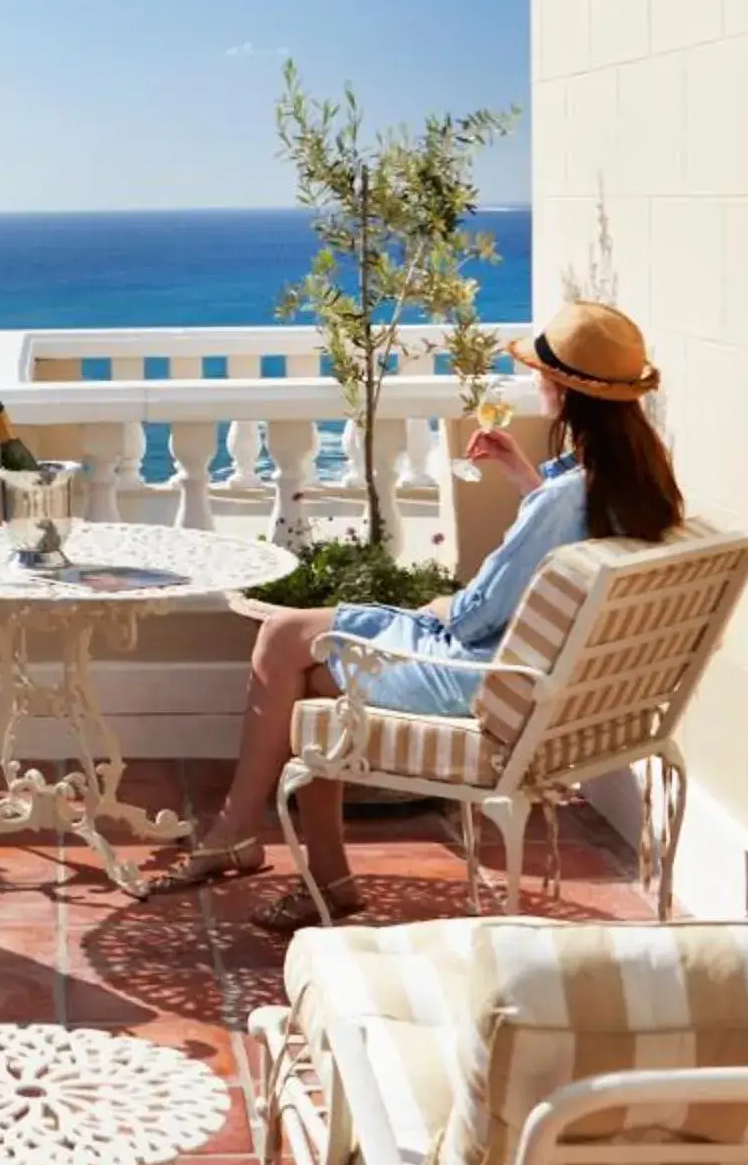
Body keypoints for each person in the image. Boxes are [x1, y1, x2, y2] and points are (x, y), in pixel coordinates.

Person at [141, 300, 686, 931]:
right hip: (539, 683)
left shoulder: (566, 498)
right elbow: (567, 538)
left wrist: (437, 604)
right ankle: (316, 873)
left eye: (544, 374)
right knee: (309, 678)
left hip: (476, 676)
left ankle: (235, 835)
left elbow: (478, 617)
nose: (538, 383)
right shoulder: (636, 482)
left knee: (283, 637)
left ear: (564, 389)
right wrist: (522, 478)